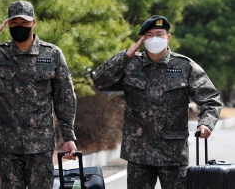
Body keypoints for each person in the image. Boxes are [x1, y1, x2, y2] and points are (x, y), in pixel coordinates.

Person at [0, 0, 77, 189]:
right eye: (14, 23)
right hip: (7, 146)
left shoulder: (52, 54)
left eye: (24, 23)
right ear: (7, 24)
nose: (19, 27)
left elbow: (65, 98)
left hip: (40, 147)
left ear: (33, 23)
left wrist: (68, 136)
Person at [91, 15, 222, 189]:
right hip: (138, 153)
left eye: (159, 34)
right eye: (149, 35)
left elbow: (211, 99)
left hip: (173, 154)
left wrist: (205, 124)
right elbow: (100, 81)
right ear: (142, 39)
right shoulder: (131, 65)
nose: (155, 38)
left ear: (168, 37)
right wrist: (125, 56)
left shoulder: (185, 66)